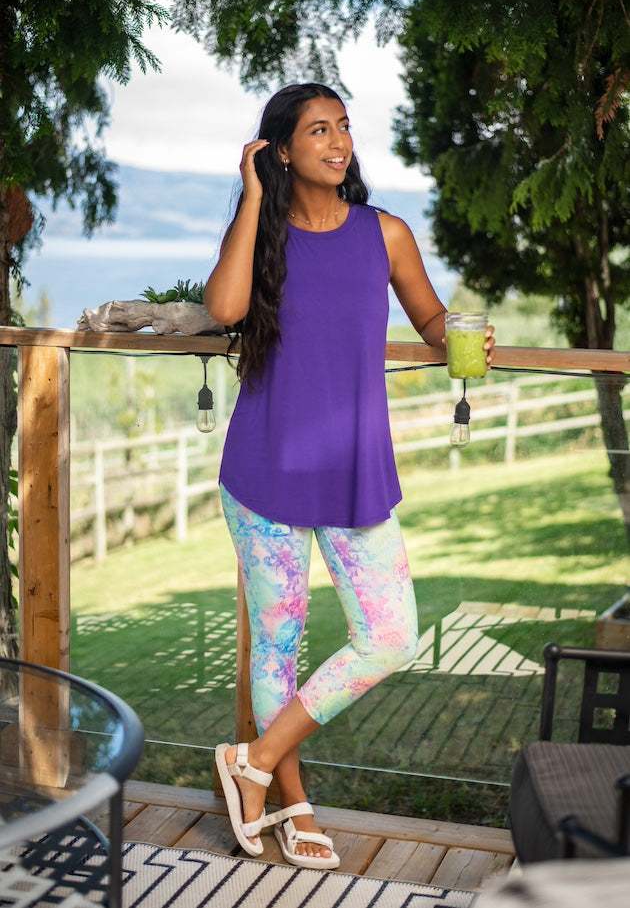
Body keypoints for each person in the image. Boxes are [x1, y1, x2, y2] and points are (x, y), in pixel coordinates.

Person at [204, 82, 495, 871]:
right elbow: (225, 307)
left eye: (343, 127)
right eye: (318, 131)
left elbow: (429, 317)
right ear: (281, 150)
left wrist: (460, 335)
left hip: (356, 471)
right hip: (264, 469)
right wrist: (251, 196)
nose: (338, 142)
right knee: (278, 645)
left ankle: (254, 760)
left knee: (391, 635)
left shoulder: (385, 233)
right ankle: (290, 801)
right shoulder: (263, 232)